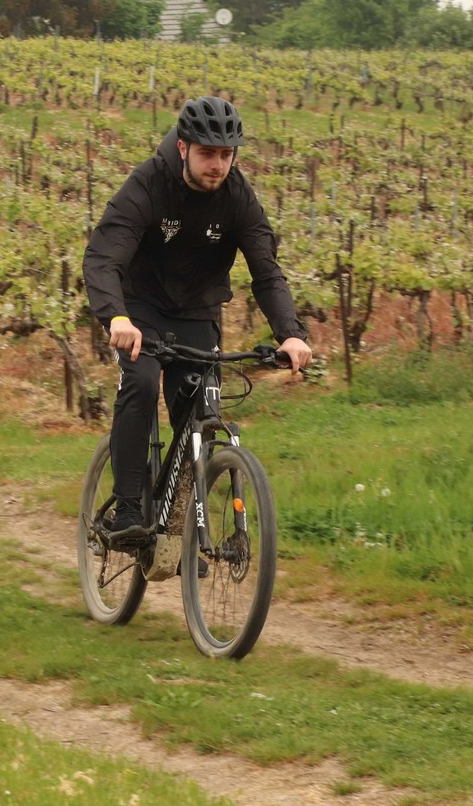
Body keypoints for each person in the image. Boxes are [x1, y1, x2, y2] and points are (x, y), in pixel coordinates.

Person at [82, 95, 312, 544]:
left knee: (200, 414)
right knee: (141, 384)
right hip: (140, 310)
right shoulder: (149, 183)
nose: (218, 165)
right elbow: (104, 257)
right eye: (208, 153)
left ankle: (183, 541)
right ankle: (128, 510)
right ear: (183, 147)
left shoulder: (237, 196)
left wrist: (290, 333)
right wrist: (116, 318)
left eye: (227, 155)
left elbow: (267, 273)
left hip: (198, 312)